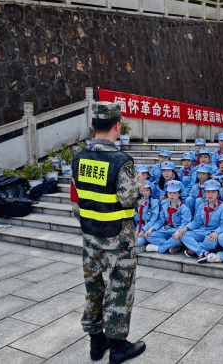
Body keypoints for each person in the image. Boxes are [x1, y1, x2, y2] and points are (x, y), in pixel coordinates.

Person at [70, 101, 145, 363]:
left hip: (91, 237)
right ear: (117, 125)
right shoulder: (121, 160)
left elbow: (78, 199)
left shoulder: (78, 159)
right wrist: (141, 187)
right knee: (120, 289)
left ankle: (95, 342)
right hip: (118, 239)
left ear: (93, 126)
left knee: (94, 287)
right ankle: (118, 346)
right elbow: (129, 200)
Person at [180, 180, 223, 261]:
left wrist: (216, 232)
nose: (210, 194)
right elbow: (196, 222)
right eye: (208, 192)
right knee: (184, 235)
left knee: (210, 241)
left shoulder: (222, 207)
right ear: (204, 193)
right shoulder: (202, 206)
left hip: (212, 233)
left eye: (213, 192)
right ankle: (202, 252)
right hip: (201, 231)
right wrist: (187, 228)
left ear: (218, 193)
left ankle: (194, 249)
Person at [144, 180, 191, 254]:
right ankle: (172, 245)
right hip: (167, 229)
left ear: (179, 194)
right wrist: (152, 228)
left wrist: (178, 231)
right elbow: (161, 221)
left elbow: (185, 223)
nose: (172, 195)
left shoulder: (184, 208)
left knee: (178, 238)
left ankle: (160, 248)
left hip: (177, 230)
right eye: (170, 193)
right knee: (149, 236)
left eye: (174, 193)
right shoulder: (165, 206)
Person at [134, 181, 160, 247]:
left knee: (137, 242)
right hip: (138, 226)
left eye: (147, 190)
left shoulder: (154, 203)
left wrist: (144, 230)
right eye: (142, 190)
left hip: (148, 227)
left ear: (150, 191)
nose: (145, 192)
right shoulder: (136, 202)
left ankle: (147, 241)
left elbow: (153, 219)